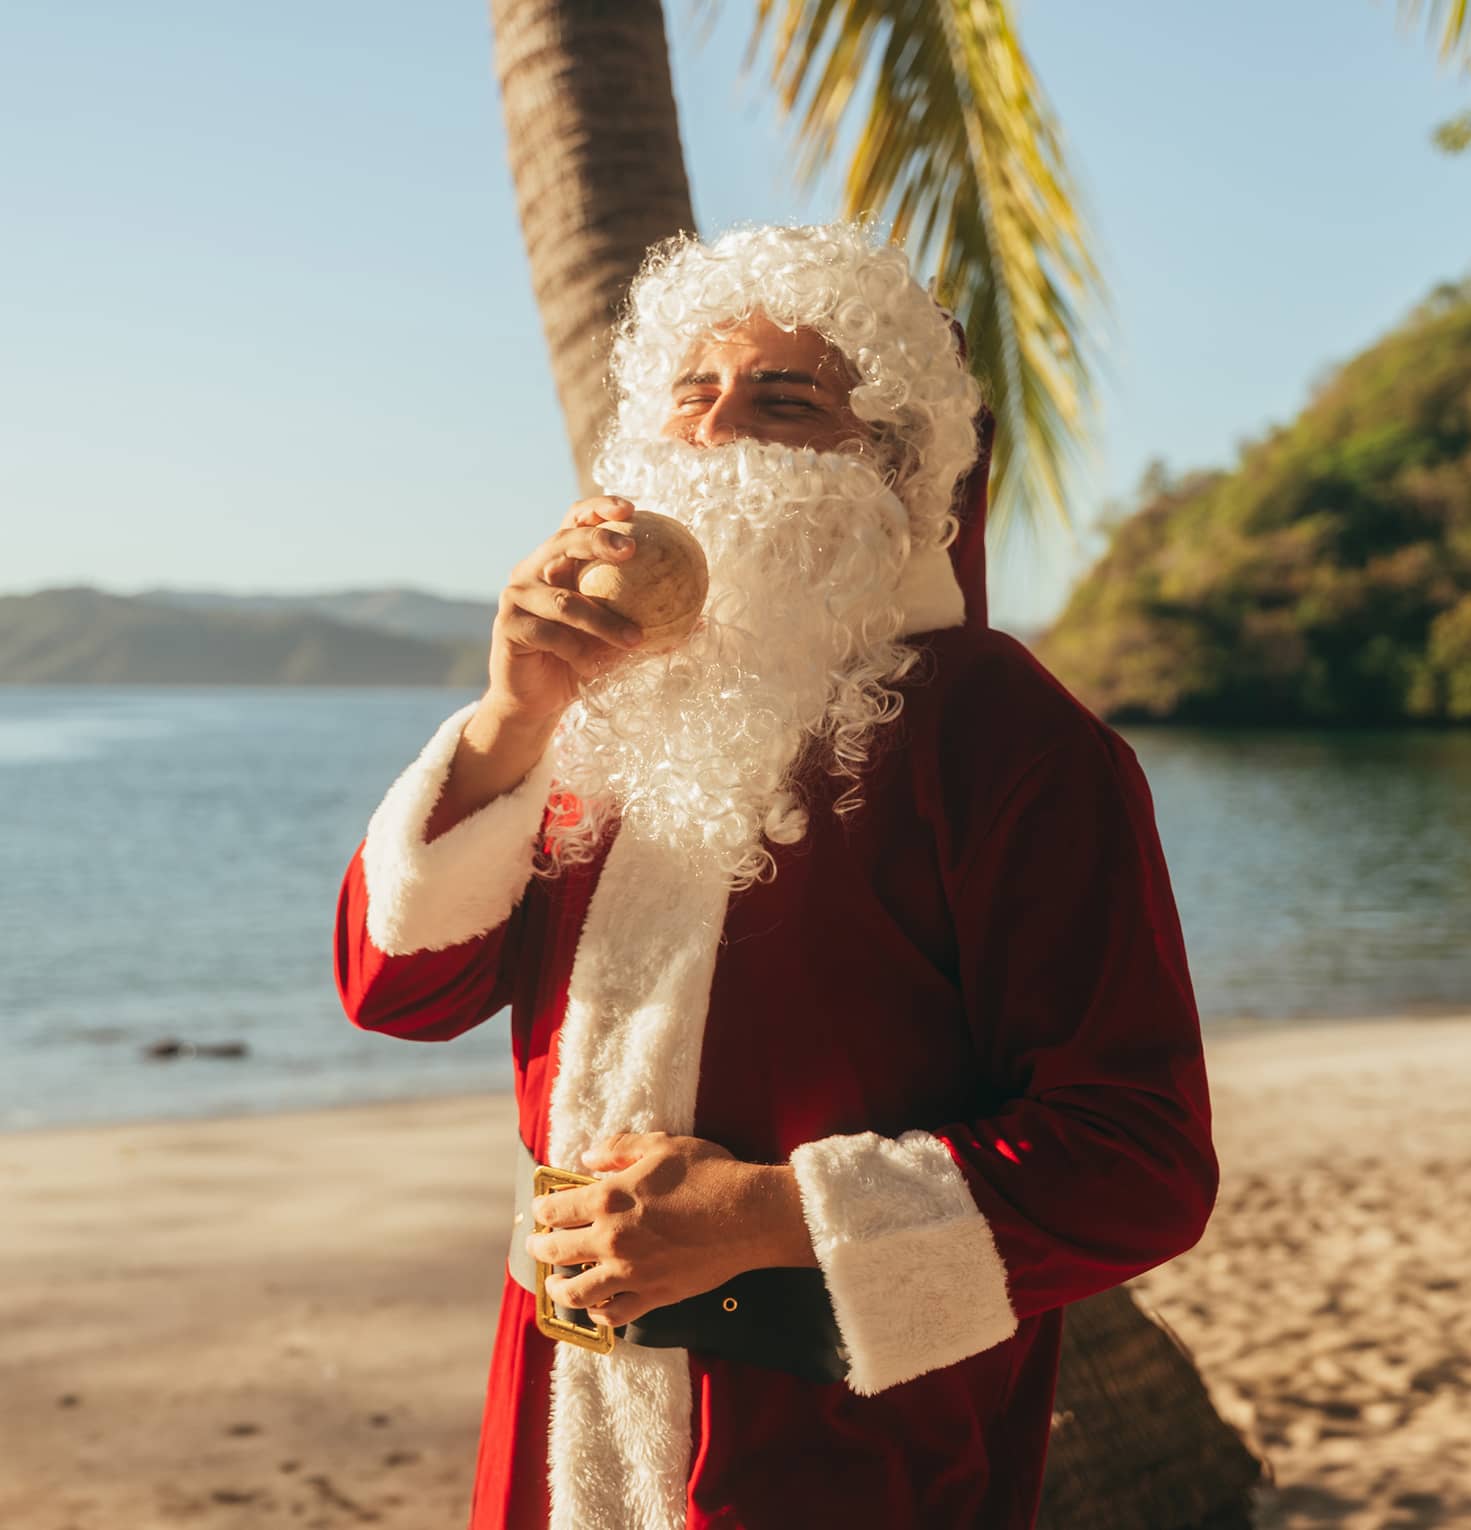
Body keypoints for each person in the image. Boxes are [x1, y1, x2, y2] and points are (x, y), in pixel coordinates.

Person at [333, 222, 1218, 1530]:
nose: (713, 431)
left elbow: (1139, 1164)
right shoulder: (601, 709)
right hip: (557, 1425)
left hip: (849, 1456)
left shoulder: (1005, 735)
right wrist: (510, 720)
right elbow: (396, 991)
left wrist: (767, 1212)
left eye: (782, 399)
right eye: (689, 390)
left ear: (895, 463)